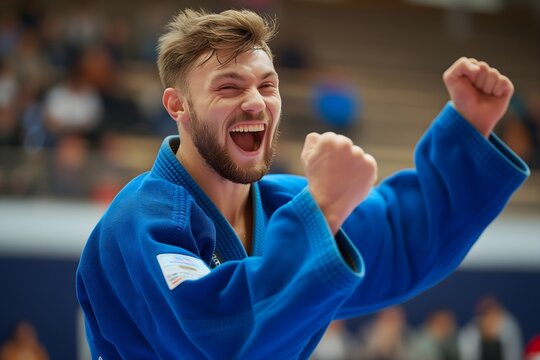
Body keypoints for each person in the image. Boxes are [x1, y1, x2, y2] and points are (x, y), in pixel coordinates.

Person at [76, 8, 529, 360]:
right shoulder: (140, 220)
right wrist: (324, 211)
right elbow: (216, 340)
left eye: (267, 85)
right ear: (177, 105)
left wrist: (469, 132)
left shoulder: (286, 205)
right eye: (229, 87)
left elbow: (403, 239)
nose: (256, 102)